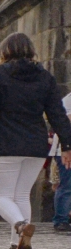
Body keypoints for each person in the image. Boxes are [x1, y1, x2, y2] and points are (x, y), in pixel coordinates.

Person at [0, 32, 71, 249]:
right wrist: (67, 144)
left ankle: (21, 226)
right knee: (20, 195)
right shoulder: (45, 77)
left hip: (6, 142)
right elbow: (57, 113)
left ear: (5, 51)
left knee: (1, 196)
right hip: (36, 145)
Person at [51, 92, 71, 233]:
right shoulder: (68, 100)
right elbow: (66, 121)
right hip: (65, 150)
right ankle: (61, 220)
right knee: (66, 185)